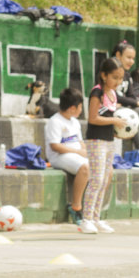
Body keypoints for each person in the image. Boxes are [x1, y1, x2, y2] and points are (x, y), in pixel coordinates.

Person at [82, 58, 128, 235]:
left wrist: (117, 130)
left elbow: (108, 119)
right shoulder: (97, 92)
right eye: (115, 77)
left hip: (109, 141)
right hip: (96, 141)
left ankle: (96, 217)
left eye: (120, 78)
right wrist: (114, 120)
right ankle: (86, 219)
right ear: (104, 75)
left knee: (105, 180)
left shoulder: (113, 94)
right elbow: (93, 118)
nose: (118, 82)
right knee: (96, 179)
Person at [45, 88, 90, 224]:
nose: (81, 110)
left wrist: (85, 151)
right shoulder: (55, 121)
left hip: (76, 155)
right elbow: (55, 146)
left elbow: (81, 142)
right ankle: (75, 207)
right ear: (72, 108)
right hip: (59, 157)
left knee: (101, 167)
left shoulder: (74, 122)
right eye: (80, 107)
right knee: (84, 168)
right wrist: (77, 153)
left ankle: (91, 209)